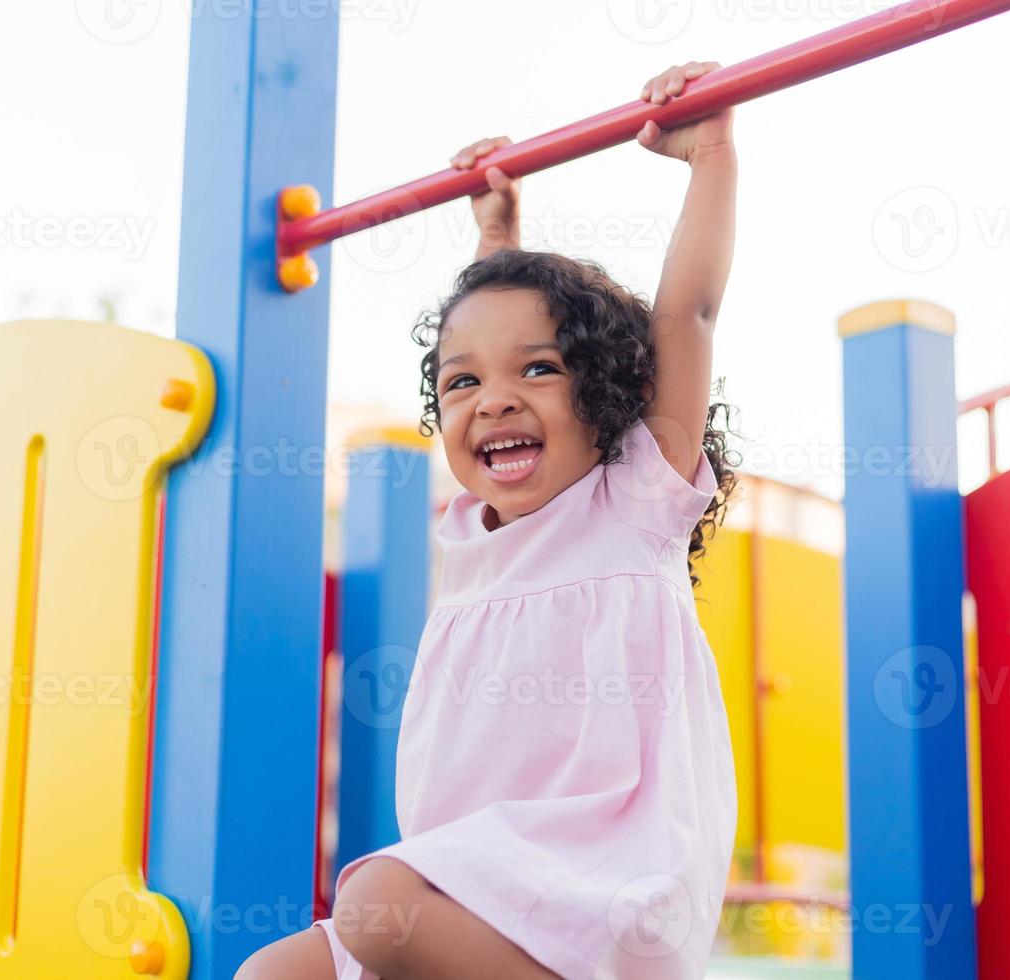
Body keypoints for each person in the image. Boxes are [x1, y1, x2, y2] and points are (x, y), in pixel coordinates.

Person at [238, 60, 739, 979]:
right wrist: (498, 234)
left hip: (603, 881)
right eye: (462, 383)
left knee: (375, 901)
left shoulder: (631, 503)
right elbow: (488, 333)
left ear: (612, 394)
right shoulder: (471, 531)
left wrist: (713, 154)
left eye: (539, 372)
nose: (494, 401)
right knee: (272, 972)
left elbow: (688, 313)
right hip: (479, 882)